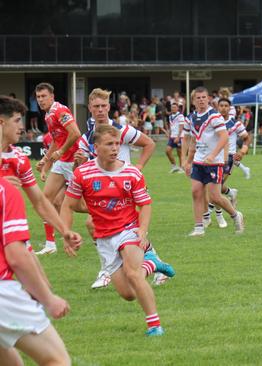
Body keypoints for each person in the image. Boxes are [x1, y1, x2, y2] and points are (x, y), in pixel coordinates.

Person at [61, 124, 175, 337]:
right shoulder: (82, 173)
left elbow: (146, 204)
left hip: (128, 229)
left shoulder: (131, 173)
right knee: (128, 293)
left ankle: (154, 325)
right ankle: (152, 264)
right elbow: (69, 205)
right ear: (96, 147)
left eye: (117, 144)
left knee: (133, 273)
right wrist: (66, 233)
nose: (115, 148)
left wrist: (142, 229)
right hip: (104, 237)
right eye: (109, 144)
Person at [75, 88, 158, 289]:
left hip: (127, 187)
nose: (100, 110)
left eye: (104, 106)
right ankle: (153, 261)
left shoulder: (121, 129)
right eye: (96, 106)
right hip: (103, 190)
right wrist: (78, 162)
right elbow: (83, 166)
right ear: (90, 109)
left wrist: (137, 167)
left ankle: (106, 269)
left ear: (109, 107)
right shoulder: (88, 134)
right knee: (120, 229)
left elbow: (149, 143)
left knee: (95, 224)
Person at [0, 175, 75, 366]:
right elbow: (17, 255)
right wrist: (49, 299)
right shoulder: (5, 190)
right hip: (3, 295)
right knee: (56, 359)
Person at [181, 88, 244, 237]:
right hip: (198, 161)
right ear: (193, 100)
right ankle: (198, 228)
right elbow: (190, 140)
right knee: (196, 192)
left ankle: (236, 215)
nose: (201, 100)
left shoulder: (214, 116)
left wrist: (213, 155)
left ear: (208, 99)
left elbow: (224, 137)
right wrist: (186, 161)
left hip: (214, 162)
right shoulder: (190, 118)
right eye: (198, 98)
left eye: (204, 97)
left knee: (215, 197)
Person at [34, 82, 81, 256]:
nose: (41, 100)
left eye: (44, 96)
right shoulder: (48, 115)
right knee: (46, 199)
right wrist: (45, 159)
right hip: (63, 162)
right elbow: (56, 140)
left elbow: (75, 133)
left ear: (52, 96)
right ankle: (50, 244)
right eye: (38, 97)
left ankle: (110, 219)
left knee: (81, 204)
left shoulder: (60, 111)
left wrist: (61, 151)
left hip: (74, 161)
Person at [209, 98, 251, 227]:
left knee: (216, 188)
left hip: (229, 158)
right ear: (218, 107)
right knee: (217, 188)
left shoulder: (235, 124)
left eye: (226, 106)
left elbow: (247, 138)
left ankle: (217, 215)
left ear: (230, 108)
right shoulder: (212, 122)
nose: (223, 108)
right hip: (215, 158)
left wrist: (242, 151)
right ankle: (231, 193)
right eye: (221, 105)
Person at [166, 102, 184, 173]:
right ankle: (174, 166)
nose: (173, 108)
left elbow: (181, 126)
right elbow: (171, 126)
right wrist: (169, 134)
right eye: (172, 107)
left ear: (177, 108)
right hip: (172, 136)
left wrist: (178, 137)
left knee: (179, 153)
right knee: (167, 151)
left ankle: (181, 167)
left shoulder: (180, 116)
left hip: (179, 136)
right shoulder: (170, 116)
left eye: (174, 107)